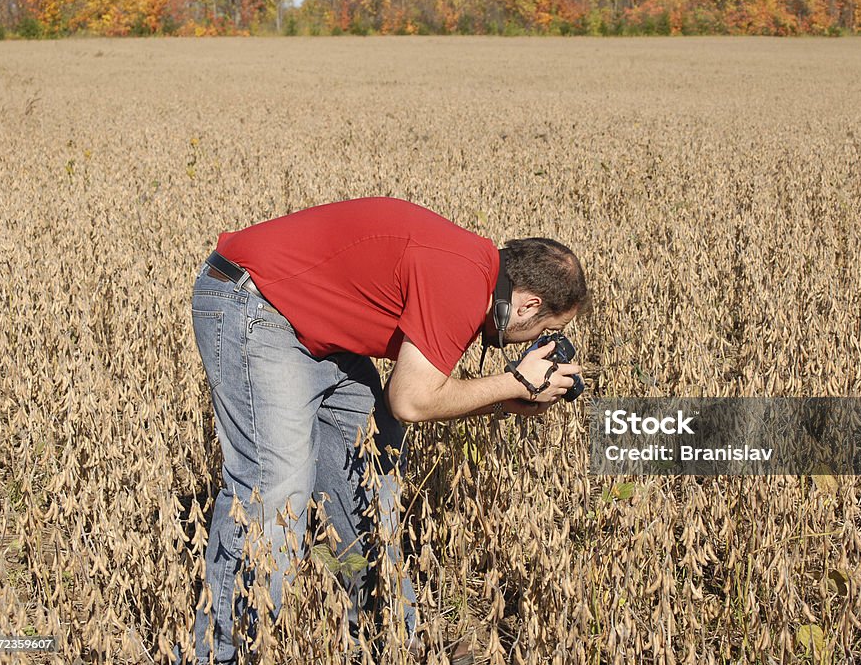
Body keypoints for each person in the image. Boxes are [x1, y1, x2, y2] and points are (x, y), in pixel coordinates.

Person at [176, 196, 588, 663]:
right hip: (255, 301)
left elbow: (427, 395)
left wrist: (511, 396)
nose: (533, 342)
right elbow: (410, 400)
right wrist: (515, 381)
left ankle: (390, 633)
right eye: (542, 330)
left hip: (320, 331)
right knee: (274, 485)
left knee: (371, 473)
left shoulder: (470, 268)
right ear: (528, 304)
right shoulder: (460, 281)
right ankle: (221, 653)